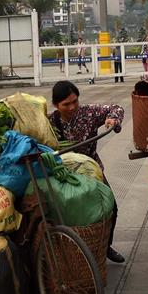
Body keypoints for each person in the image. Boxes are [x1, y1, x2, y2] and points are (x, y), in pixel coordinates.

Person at [49, 81, 126, 264]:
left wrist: (112, 119)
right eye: (66, 104)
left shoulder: (88, 113)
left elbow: (116, 108)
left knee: (111, 208)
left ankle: (105, 247)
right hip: (64, 175)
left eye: (75, 101)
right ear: (56, 105)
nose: (72, 107)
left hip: (91, 171)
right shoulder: (49, 122)